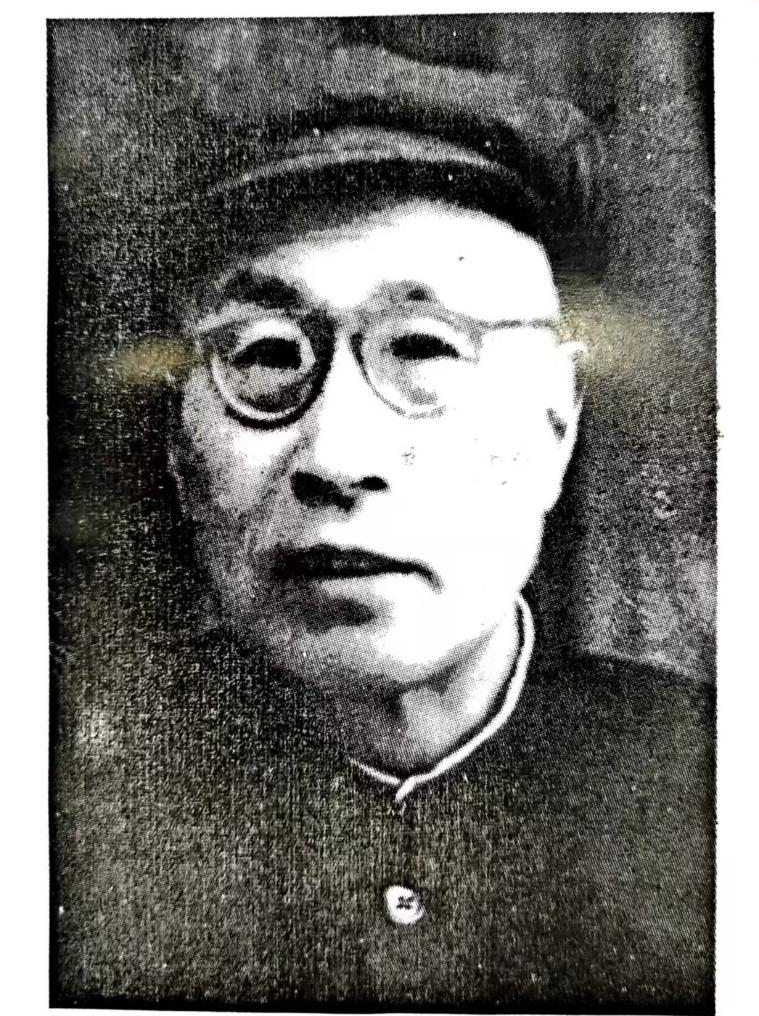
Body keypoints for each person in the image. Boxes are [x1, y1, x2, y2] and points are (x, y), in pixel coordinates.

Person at [53, 74, 714, 1011]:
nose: (337, 457)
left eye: (423, 349)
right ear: (177, 445)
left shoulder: (713, 786)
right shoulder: (62, 805)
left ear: (555, 425)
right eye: (266, 355)